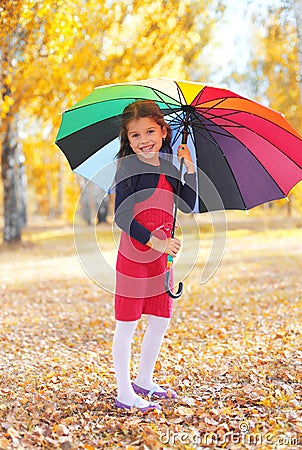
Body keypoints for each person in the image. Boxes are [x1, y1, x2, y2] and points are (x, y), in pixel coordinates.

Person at [112, 100, 196, 412]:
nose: (143, 140)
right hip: (135, 257)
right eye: (135, 135)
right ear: (128, 139)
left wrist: (188, 169)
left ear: (163, 131)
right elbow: (122, 217)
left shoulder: (171, 167)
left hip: (162, 261)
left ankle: (144, 380)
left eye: (150, 131)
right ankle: (124, 392)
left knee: (160, 319)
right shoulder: (129, 169)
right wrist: (156, 243)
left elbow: (187, 204)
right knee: (127, 324)